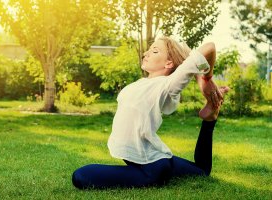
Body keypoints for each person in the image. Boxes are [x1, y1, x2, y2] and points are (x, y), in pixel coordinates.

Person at [72, 36, 229, 189]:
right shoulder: (145, 83)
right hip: (156, 157)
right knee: (200, 171)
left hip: (153, 169)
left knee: (80, 176)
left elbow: (210, 47)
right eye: (148, 50)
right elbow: (188, 55)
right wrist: (199, 75)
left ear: (169, 63)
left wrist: (206, 80)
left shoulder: (168, 85)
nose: (146, 53)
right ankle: (210, 118)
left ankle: (210, 119)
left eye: (154, 51)